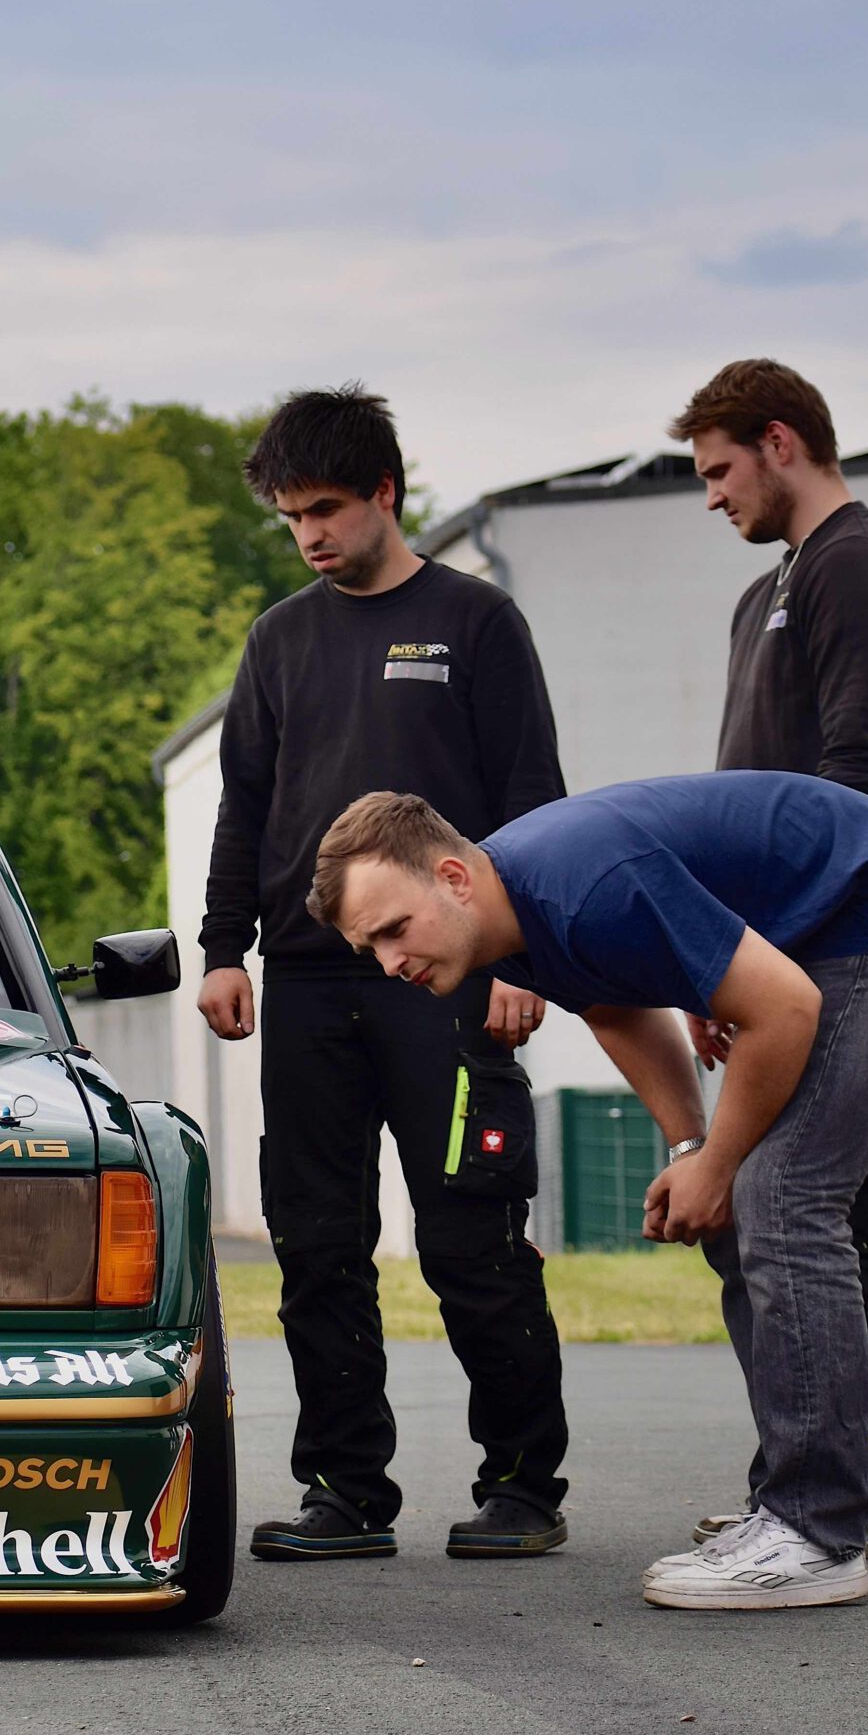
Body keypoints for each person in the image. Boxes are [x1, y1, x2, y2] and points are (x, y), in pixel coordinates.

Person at [310, 777, 868, 1608]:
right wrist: (692, 1146)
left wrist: (720, 1160)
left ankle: (816, 1532)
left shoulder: (581, 887)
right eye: (368, 948)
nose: (389, 963)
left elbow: (782, 1006)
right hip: (821, 929)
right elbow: (617, 1009)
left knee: (780, 1195)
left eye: (392, 930)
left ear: (452, 878)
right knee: (746, 1204)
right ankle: (797, 1499)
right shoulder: (509, 923)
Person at [197, 384, 571, 1562]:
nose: (307, 533)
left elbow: (531, 802)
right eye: (288, 516)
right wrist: (221, 948)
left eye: (324, 508)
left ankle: (520, 1486)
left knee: (472, 1241)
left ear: (385, 495)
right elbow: (245, 803)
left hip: (450, 984)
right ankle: (345, 1492)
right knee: (316, 1246)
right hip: (307, 987)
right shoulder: (278, 638)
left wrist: (524, 961)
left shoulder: (475, 622)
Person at [669, 358, 868, 1560]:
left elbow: (858, 777)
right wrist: (718, 960)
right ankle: (805, 1477)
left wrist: (769, 947)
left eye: (719, 470)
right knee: (768, 1212)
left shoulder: (859, 565)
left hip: (857, 947)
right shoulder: (765, 595)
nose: (709, 498)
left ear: (780, 442)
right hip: (772, 960)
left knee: (866, 1211)